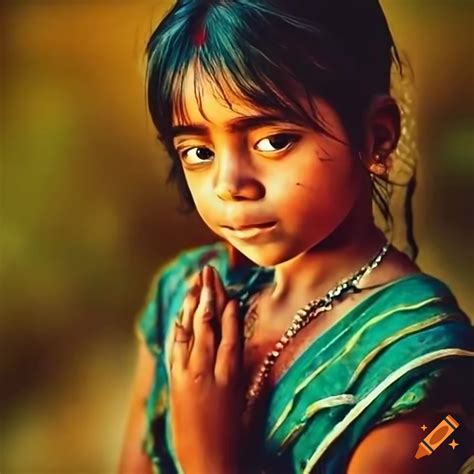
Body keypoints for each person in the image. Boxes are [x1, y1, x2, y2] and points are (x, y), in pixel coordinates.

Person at [119, 1, 474, 472]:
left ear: (377, 137)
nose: (229, 184)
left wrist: (207, 458)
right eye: (199, 151)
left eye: (273, 141)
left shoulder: (422, 367)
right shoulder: (186, 300)